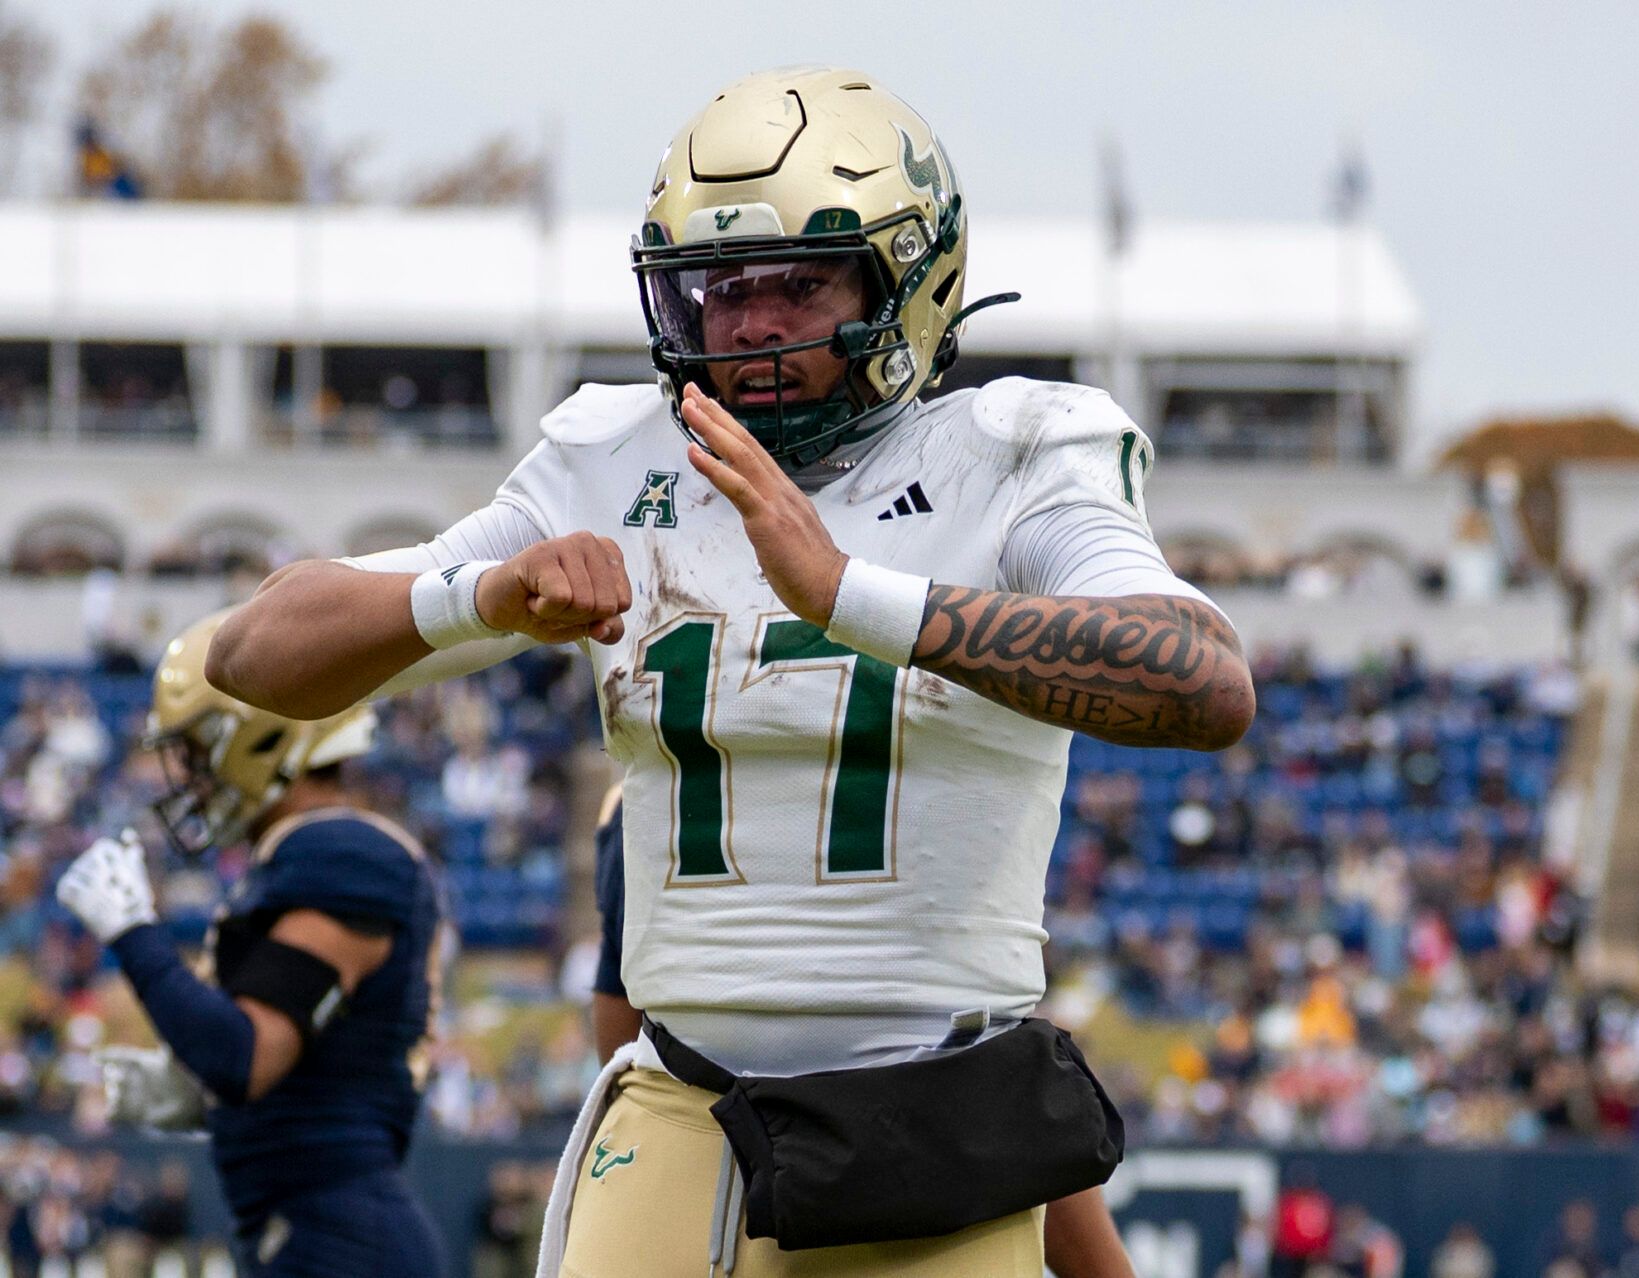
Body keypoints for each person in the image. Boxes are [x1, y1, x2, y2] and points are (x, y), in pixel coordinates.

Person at [208, 65, 1253, 1278]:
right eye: (717, 289)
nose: (749, 325)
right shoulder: (611, 458)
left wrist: (847, 594)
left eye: (798, 284)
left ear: (910, 278)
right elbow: (254, 653)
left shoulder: (1016, 454)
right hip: (676, 1110)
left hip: (929, 1124)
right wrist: (481, 596)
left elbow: (1204, 679)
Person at [586, 789, 1137, 1278]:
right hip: (921, 1185)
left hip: (693, 1182)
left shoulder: (640, 797)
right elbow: (997, 1096)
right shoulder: (957, 787)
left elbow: (622, 1038)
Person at [55, 610, 448, 1277]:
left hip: (342, 1238)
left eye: (200, 750)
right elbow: (278, 1070)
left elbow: (246, 1056)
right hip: (310, 1228)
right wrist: (196, 1091)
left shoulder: (340, 853)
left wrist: (134, 934)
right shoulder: (297, 855)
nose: (187, 778)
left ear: (264, 732)